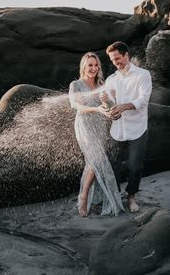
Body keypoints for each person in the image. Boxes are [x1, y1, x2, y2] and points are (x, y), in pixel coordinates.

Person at [69, 52, 124, 217]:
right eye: (90, 65)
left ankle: (85, 195)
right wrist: (96, 108)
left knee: (91, 162)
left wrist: (107, 100)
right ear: (84, 66)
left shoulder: (101, 84)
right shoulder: (76, 85)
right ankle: (84, 195)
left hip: (99, 126)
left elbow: (111, 107)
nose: (93, 68)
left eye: (96, 65)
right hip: (84, 125)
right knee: (97, 159)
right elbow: (75, 104)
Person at [100, 41, 152, 213]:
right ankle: (115, 196)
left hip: (137, 129)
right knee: (112, 165)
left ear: (126, 55)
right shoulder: (111, 79)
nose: (115, 62)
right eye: (113, 60)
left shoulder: (142, 75)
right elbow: (110, 106)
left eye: (118, 58)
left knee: (135, 166)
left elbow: (143, 100)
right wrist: (107, 102)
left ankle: (131, 196)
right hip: (116, 130)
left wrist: (124, 106)